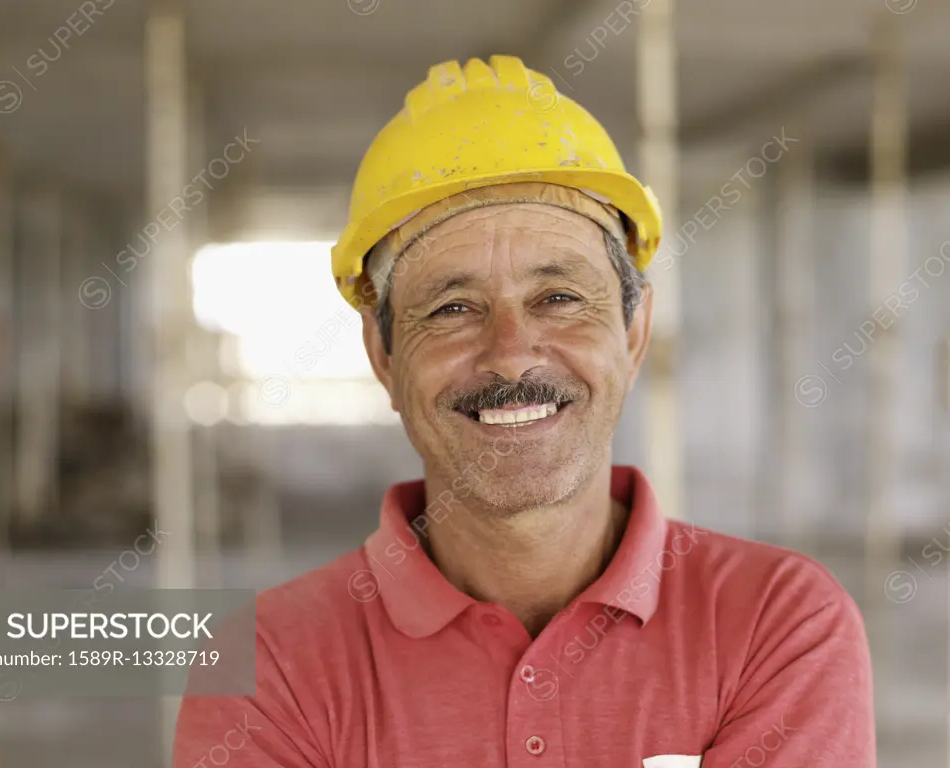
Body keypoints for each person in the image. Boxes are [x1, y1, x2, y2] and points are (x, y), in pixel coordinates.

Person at [173, 55, 875, 767]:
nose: (510, 354)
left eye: (559, 298)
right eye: (452, 308)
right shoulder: (269, 665)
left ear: (632, 335)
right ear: (384, 357)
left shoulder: (777, 623)